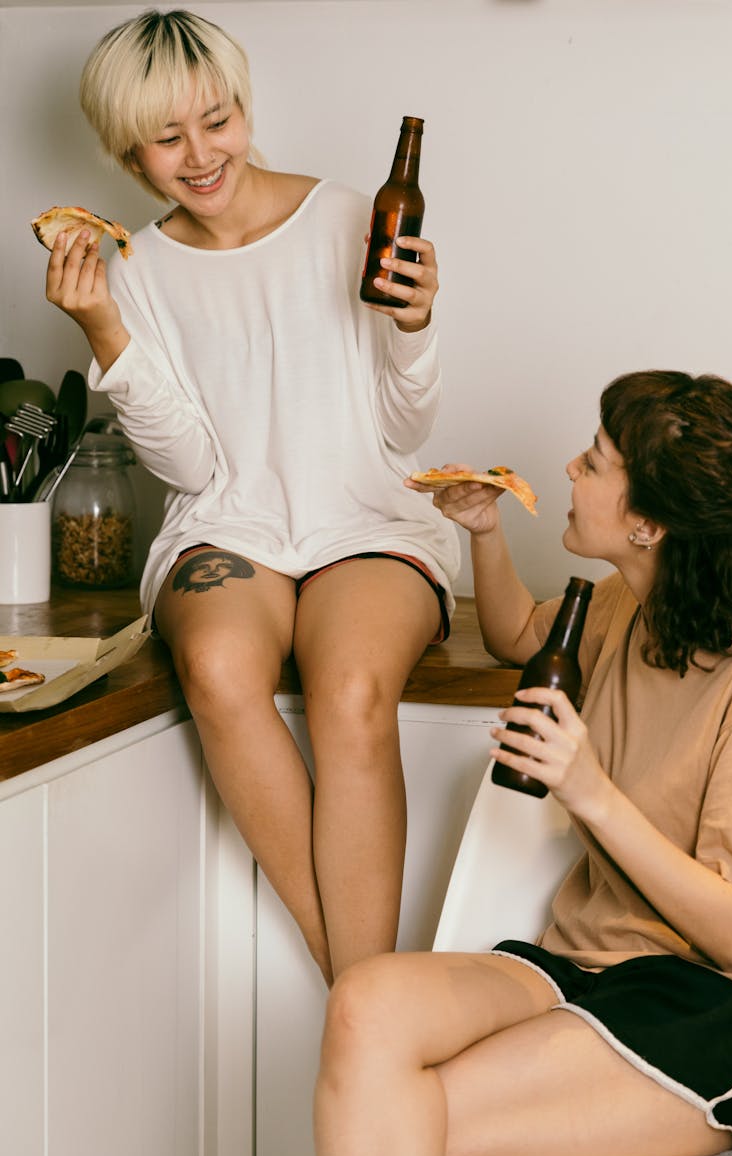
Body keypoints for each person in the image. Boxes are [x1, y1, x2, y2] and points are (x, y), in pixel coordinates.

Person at [43, 8, 459, 986]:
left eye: (217, 120)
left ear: (244, 108)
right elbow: (191, 467)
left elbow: (403, 431)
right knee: (220, 667)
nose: (200, 155)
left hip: (365, 517)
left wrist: (416, 323)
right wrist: (105, 329)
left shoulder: (352, 218)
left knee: (352, 690)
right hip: (228, 524)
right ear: (127, 151)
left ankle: (363, 1008)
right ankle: (367, 995)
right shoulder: (133, 270)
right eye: (167, 136)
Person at [313, 370, 732, 1156]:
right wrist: (484, 531)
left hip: (729, 1007)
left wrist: (590, 789)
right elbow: (516, 636)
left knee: (396, 1115)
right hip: (588, 962)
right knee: (364, 1003)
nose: (570, 469)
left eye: (595, 461)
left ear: (648, 524)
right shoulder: (627, 605)